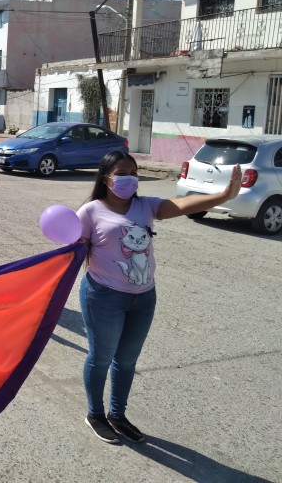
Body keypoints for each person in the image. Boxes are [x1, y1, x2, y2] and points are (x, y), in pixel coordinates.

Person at [77, 150, 241, 444]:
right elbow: (74, 255)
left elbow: (182, 204)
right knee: (101, 358)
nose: (130, 178)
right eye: (122, 173)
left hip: (143, 298)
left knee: (126, 361)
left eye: (134, 172)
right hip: (103, 296)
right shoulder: (90, 211)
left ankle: (118, 414)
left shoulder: (147, 206)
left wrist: (223, 196)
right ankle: (95, 414)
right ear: (106, 179)